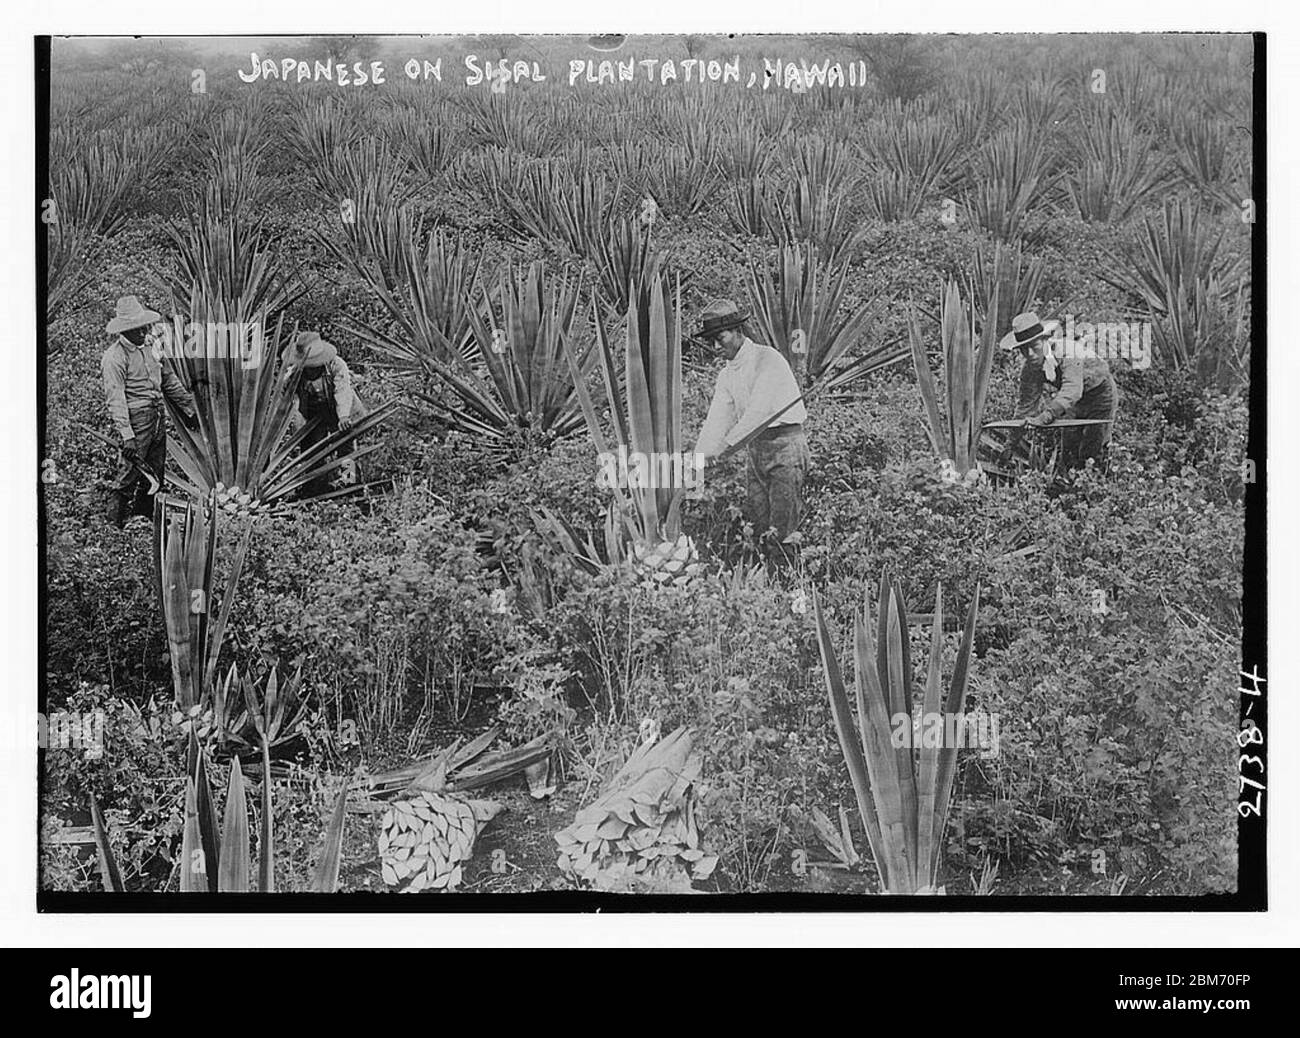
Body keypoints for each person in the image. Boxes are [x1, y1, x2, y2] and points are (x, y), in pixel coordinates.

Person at [693, 299, 809, 545]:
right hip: (756, 451)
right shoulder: (727, 374)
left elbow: (759, 413)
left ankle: (786, 579)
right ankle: (763, 579)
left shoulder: (768, 360)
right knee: (758, 524)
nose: (715, 346)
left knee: (782, 527)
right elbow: (717, 419)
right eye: (710, 340)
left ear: (738, 331)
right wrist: (698, 460)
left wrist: (724, 448)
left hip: (785, 447)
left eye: (720, 337)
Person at [100, 296, 197, 527]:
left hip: (156, 414)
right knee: (129, 474)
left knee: (155, 471)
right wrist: (127, 436)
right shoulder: (114, 358)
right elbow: (116, 399)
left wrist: (188, 404)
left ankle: (143, 519)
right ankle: (112, 528)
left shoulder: (152, 346)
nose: (143, 331)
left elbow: (167, 379)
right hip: (136, 419)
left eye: (144, 326)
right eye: (136, 329)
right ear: (124, 331)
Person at [999, 311, 1117, 470]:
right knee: (1068, 449)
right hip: (1074, 402)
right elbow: (1025, 408)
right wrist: (1009, 446)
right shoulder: (1030, 370)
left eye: (1034, 347)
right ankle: (1068, 487)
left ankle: (1096, 486)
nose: (1030, 355)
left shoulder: (1069, 350)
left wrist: (1046, 416)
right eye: (1024, 350)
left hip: (1100, 394)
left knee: (1093, 448)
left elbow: (1072, 389)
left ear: (1045, 339)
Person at [289, 331, 367, 497]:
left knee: (345, 448)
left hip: (341, 410)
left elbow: (342, 390)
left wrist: (344, 416)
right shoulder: (295, 373)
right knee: (311, 451)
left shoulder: (336, 365)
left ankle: (350, 488)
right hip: (315, 415)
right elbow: (286, 399)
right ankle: (316, 490)